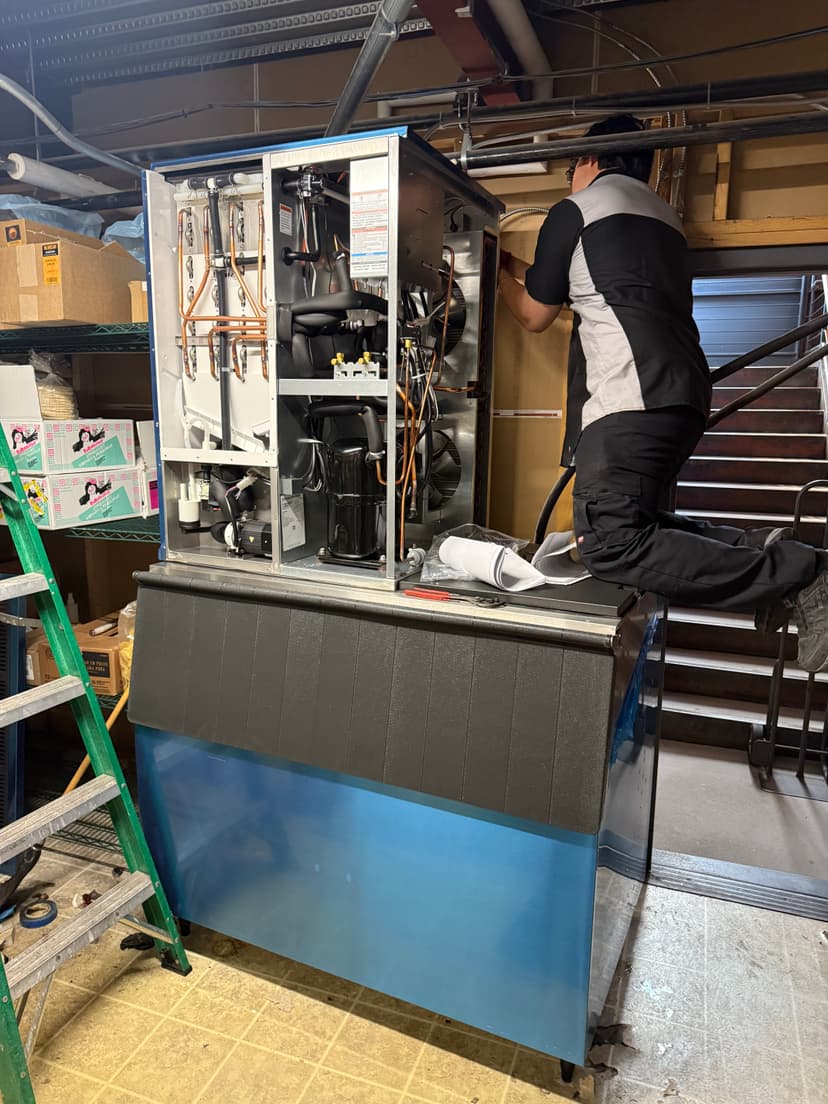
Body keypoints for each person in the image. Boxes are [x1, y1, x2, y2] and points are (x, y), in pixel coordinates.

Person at [497, 113, 828, 671]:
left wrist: (495, 269)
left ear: (589, 161)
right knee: (642, 525)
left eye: (571, 166)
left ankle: (803, 577)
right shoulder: (663, 217)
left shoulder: (574, 211)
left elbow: (533, 312)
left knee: (611, 544)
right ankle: (772, 555)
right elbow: (606, 290)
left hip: (631, 398)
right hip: (682, 395)